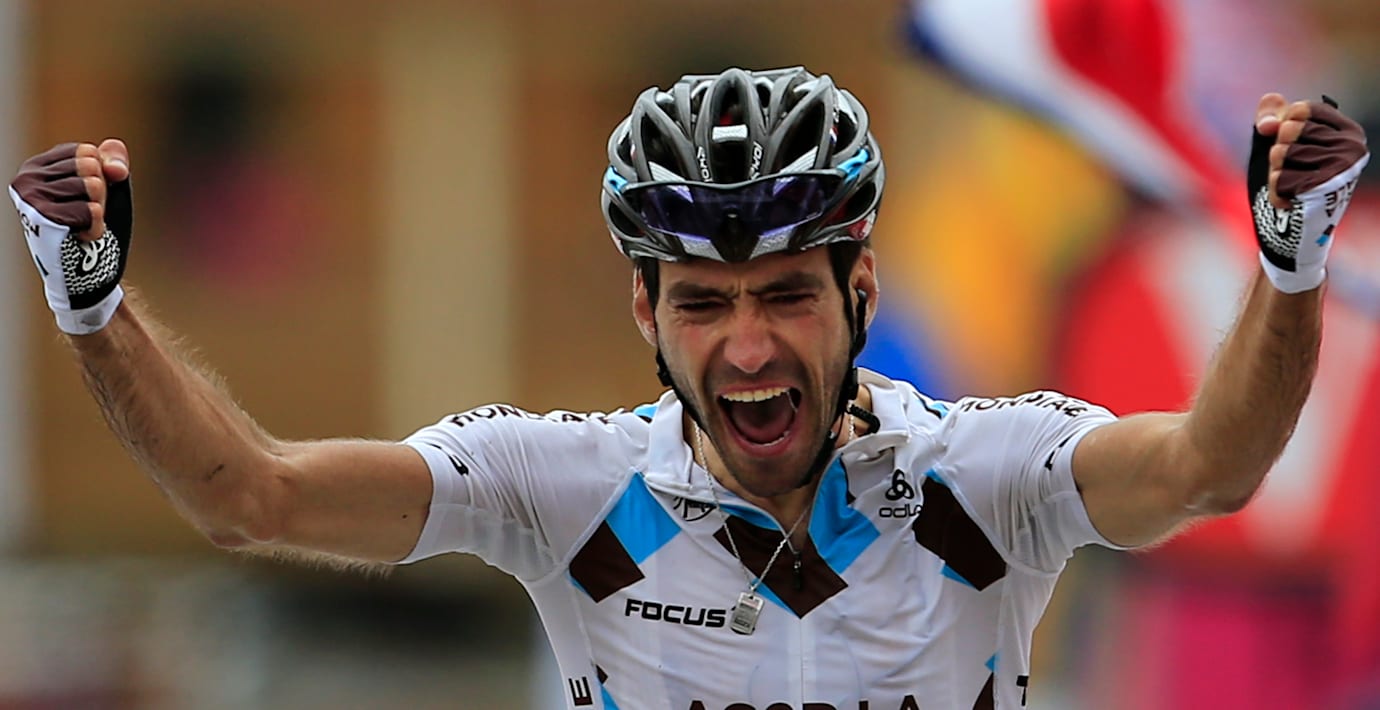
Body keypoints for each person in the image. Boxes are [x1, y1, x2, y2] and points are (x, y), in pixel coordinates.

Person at [8, 66, 1369, 709]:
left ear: (862, 290)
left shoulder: (987, 474)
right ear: (645, 313)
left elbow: (1210, 467)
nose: (750, 347)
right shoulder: (561, 488)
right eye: (705, 304)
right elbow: (251, 495)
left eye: (786, 294)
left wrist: (1290, 266)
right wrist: (93, 306)